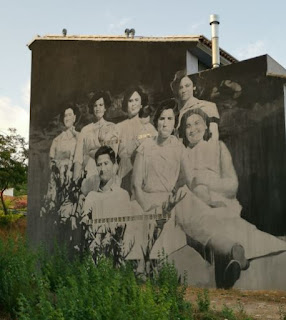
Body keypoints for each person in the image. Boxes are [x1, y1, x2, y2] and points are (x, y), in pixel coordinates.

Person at [175, 108, 286, 288]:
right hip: (194, 202)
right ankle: (232, 253)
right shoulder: (181, 153)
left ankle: (233, 255)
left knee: (221, 221)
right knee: (190, 206)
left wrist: (208, 184)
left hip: (219, 200)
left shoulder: (218, 148)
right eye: (187, 126)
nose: (192, 129)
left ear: (206, 126)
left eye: (197, 123)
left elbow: (232, 185)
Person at [73, 91, 119, 187]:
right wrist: (75, 181)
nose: (98, 108)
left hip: (106, 170)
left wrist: (92, 152)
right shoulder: (85, 130)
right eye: (95, 105)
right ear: (92, 108)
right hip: (88, 172)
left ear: (105, 107)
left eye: (101, 105)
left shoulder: (112, 128)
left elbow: (113, 153)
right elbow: (78, 158)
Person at [117, 86, 157, 193]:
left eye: (136, 100)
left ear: (141, 104)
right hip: (124, 171)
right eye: (130, 101)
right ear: (126, 104)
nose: (133, 104)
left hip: (143, 172)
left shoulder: (149, 128)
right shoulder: (118, 127)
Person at [170, 69, 220, 140]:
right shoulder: (173, 112)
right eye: (180, 87)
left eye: (187, 86)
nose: (184, 90)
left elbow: (213, 137)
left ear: (194, 86)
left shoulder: (207, 106)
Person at [49, 106, 79, 185]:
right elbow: (51, 161)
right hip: (58, 179)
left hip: (74, 179)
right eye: (65, 116)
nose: (67, 118)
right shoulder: (56, 140)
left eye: (70, 115)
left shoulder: (79, 137)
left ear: (74, 118)